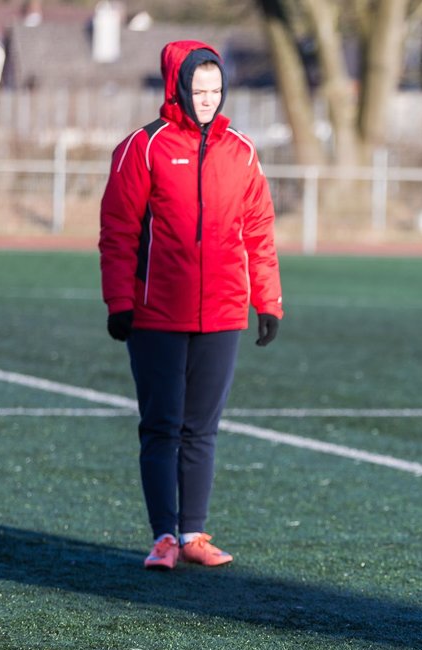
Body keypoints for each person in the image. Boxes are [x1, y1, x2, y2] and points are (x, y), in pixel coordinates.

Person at [99, 40, 283, 570]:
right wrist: (119, 300)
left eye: (216, 89)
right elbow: (118, 230)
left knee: (202, 428)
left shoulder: (242, 152)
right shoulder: (144, 147)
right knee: (162, 425)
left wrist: (267, 301)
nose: (208, 99)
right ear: (177, 87)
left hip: (223, 314)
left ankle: (194, 533)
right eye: (198, 89)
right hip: (155, 313)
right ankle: (163, 537)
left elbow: (259, 232)